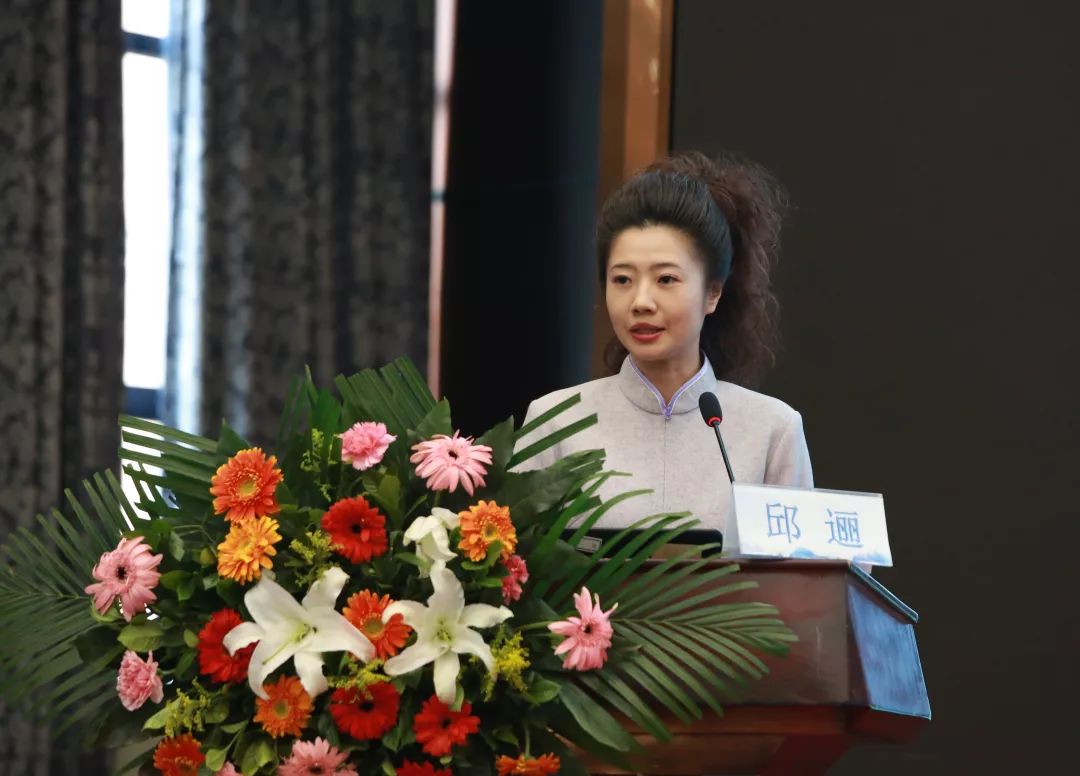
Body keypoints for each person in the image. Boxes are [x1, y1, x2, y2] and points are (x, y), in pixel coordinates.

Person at [515, 151, 812, 543]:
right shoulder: (555, 422)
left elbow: (803, 574)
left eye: (666, 279)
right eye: (622, 280)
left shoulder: (772, 430)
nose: (641, 301)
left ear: (712, 293)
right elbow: (516, 567)